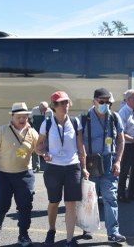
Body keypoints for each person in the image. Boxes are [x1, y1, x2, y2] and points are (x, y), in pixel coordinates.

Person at [36, 91, 89, 247]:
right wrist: (44, 153)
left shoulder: (75, 122)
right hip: (53, 168)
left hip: (73, 167)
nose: (65, 105)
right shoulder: (46, 124)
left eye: (66, 102)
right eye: (61, 103)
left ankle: (69, 238)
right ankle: (51, 230)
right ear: (54, 106)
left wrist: (84, 167)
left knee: (71, 203)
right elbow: (38, 147)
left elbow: (81, 146)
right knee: (54, 202)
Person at [0, 102, 39, 246]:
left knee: (25, 206)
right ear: (12, 117)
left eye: (25, 117)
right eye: (19, 117)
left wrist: (45, 153)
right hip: (3, 174)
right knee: (1, 204)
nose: (22, 120)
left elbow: (39, 149)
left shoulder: (32, 132)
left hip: (24, 175)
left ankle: (23, 234)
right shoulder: (3, 130)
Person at [81, 88, 126, 243]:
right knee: (89, 197)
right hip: (91, 161)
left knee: (110, 197)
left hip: (109, 161)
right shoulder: (85, 118)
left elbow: (121, 140)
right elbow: (78, 142)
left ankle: (113, 232)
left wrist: (118, 161)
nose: (105, 105)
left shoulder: (114, 117)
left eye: (108, 102)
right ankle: (87, 228)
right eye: (102, 102)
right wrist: (83, 164)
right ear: (94, 101)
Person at [29, 101, 53, 172]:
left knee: (47, 149)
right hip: (36, 132)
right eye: (43, 109)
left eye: (46, 109)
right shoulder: (34, 110)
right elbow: (29, 118)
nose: (44, 111)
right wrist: (31, 127)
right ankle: (37, 166)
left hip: (45, 133)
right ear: (39, 108)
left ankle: (49, 166)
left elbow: (51, 122)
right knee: (36, 149)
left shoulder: (50, 112)